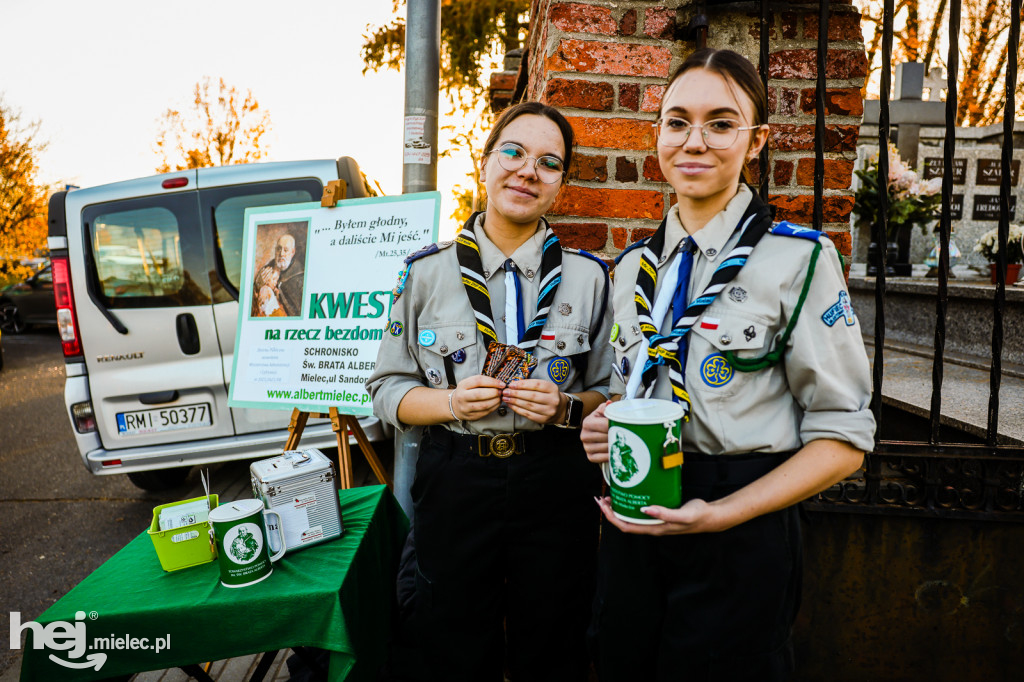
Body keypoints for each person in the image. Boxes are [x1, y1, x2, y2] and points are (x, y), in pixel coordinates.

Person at [581, 48, 875, 681]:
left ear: (757, 140)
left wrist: (723, 513)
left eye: (720, 122)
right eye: (677, 121)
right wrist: (603, 423)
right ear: (657, 134)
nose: (694, 141)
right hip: (637, 516)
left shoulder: (797, 261)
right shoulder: (635, 268)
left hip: (740, 527)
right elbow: (626, 388)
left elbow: (845, 441)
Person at [367, 101, 613, 682]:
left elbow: (610, 391)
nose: (528, 171)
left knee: (554, 643)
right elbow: (385, 390)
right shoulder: (424, 274)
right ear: (484, 163)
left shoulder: (589, 277)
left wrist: (567, 408)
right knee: (449, 642)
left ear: (561, 183)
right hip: (456, 474)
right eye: (514, 152)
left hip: (553, 476)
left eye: (548, 163)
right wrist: (450, 402)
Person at [251, 233, 303, 317]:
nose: (281, 254)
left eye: (285, 250)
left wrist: (277, 293)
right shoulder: (266, 270)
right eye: (279, 249)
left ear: (292, 252)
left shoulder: (299, 275)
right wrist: (258, 286)